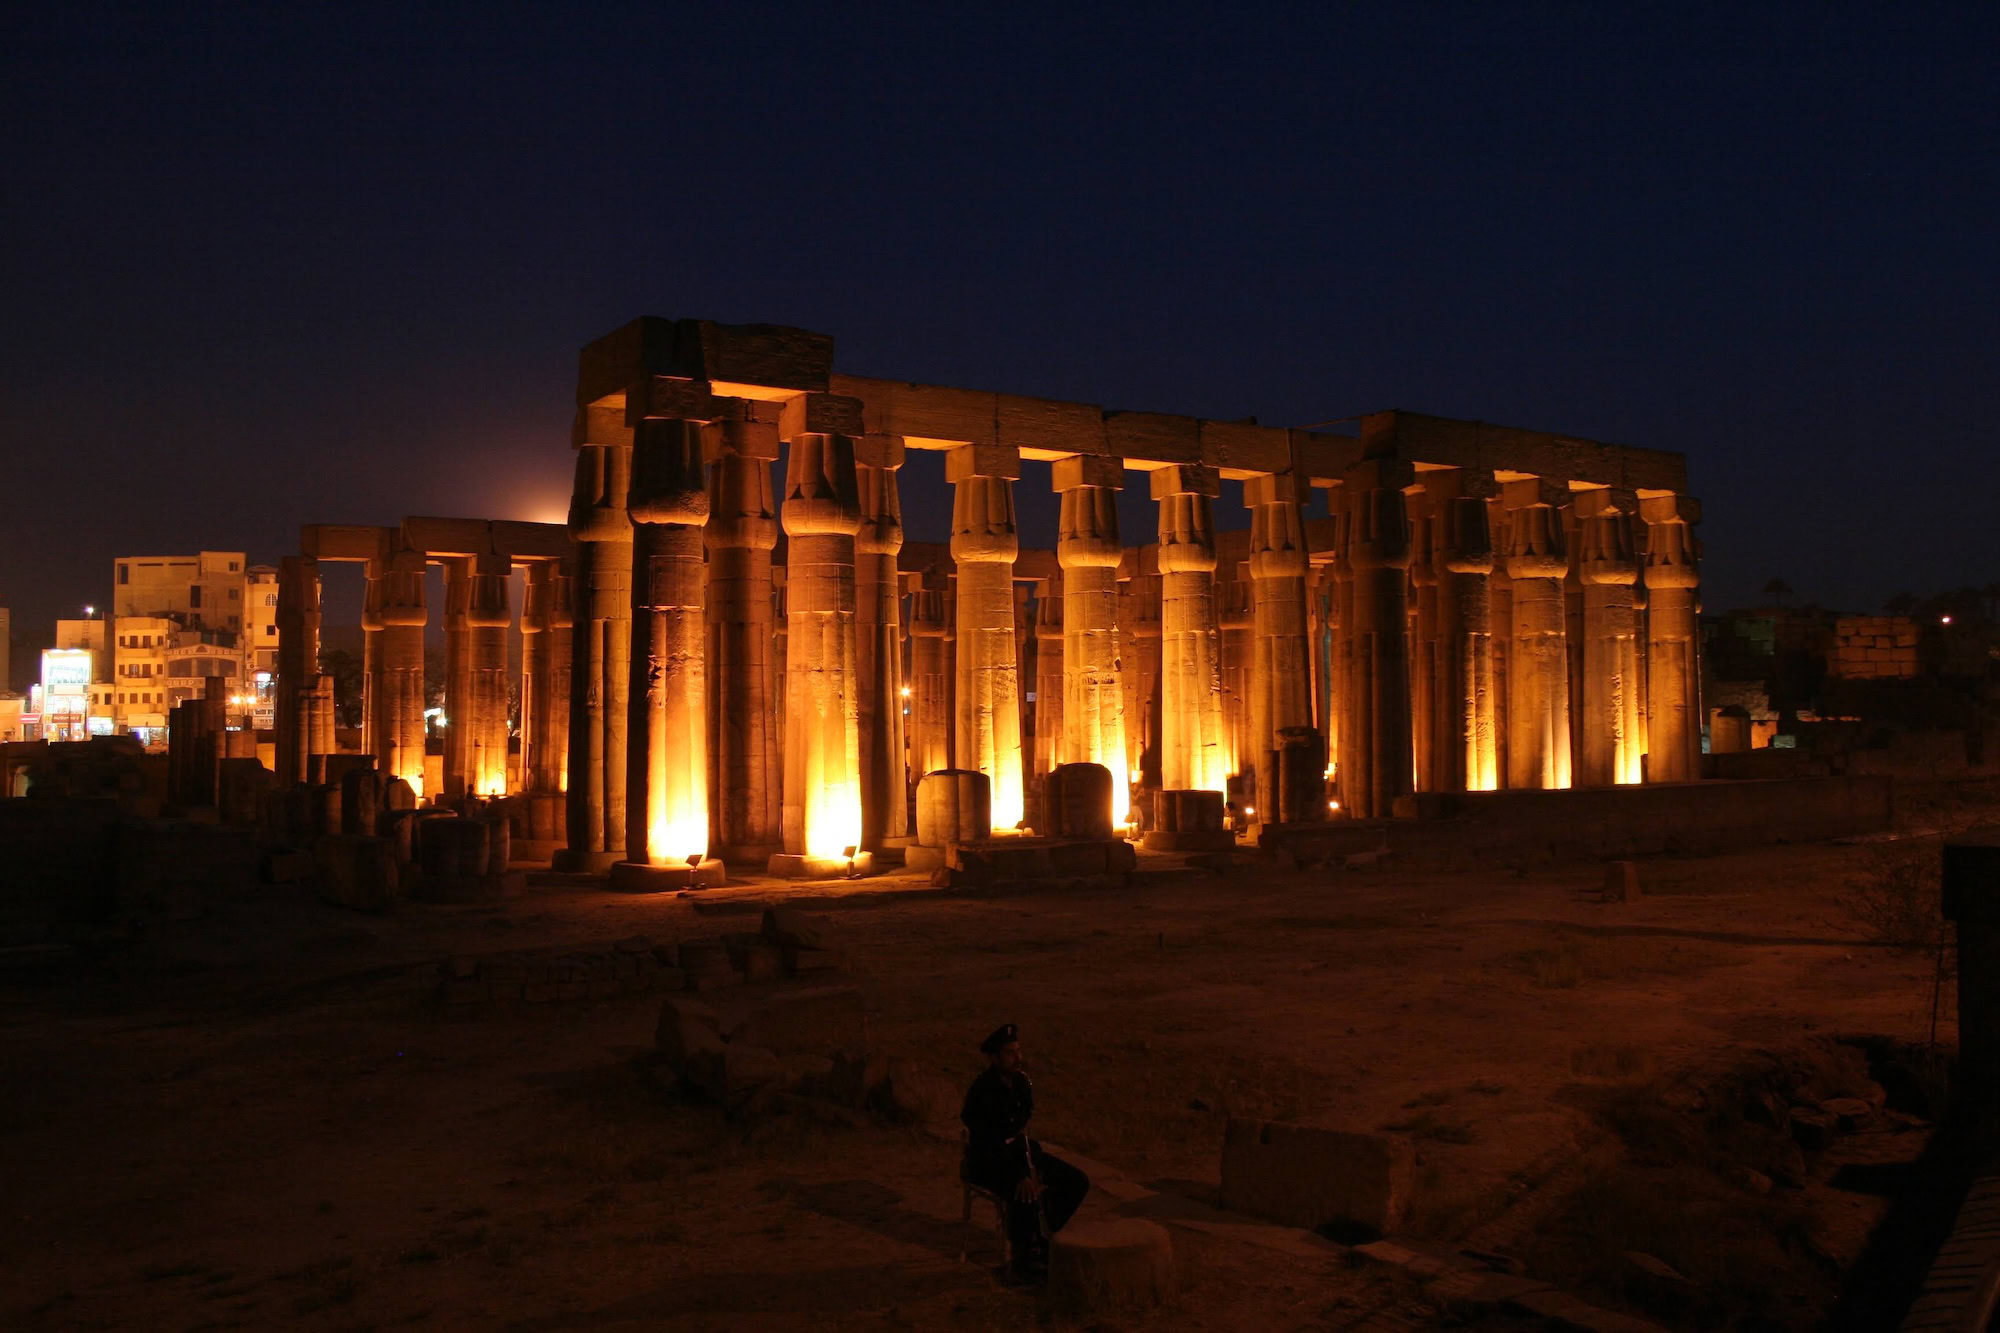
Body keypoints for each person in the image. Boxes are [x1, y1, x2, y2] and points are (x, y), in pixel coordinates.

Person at [959, 1023, 1089, 1281]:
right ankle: (1023, 1260)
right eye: (1010, 1053)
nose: (1018, 1058)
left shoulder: (1020, 1083)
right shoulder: (982, 1091)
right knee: (1023, 1192)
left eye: (1018, 1051)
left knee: (1076, 1181)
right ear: (994, 1058)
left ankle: (1042, 1235)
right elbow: (989, 1141)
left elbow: (1020, 1125)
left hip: (1018, 1151)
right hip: (988, 1159)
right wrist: (1021, 1175)